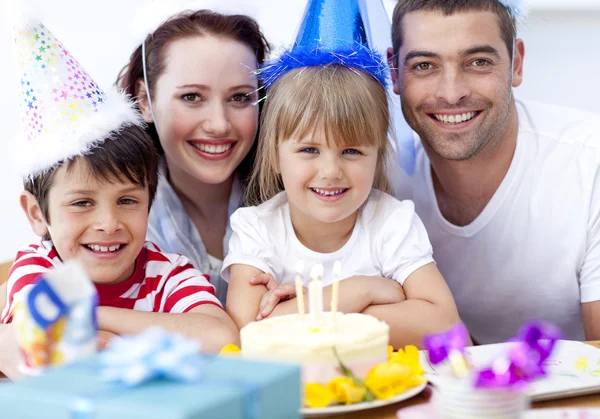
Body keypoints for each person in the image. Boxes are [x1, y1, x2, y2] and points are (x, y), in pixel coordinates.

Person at [223, 0, 461, 349]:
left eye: (351, 151)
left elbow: (444, 325)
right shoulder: (258, 229)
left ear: (378, 155)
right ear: (274, 155)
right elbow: (250, 331)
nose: (331, 171)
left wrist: (308, 312)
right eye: (309, 150)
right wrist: (359, 291)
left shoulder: (390, 222)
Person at [1, 20, 238, 363]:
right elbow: (57, 348)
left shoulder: (167, 272)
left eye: (127, 200)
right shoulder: (39, 270)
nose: (109, 223)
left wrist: (91, 315)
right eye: (82, 203)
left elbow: (221, 337)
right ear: (37, 214)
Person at [388, 0, 600, 344]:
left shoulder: (590, 165)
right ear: (395, 73)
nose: (452, 93)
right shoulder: (370, 179)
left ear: (516, 63)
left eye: (478, 62)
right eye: (424, 65)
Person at [117, 10, 270, 306]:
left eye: (239, 97)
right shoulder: (108, 215)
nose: (219, 124)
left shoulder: (300, 197)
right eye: (192, 97)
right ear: (145, 99)